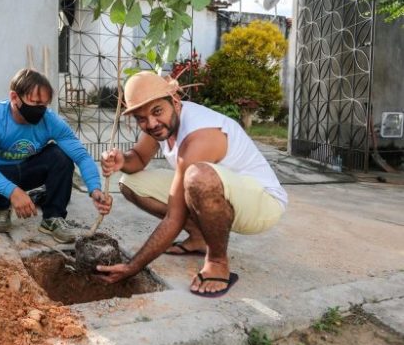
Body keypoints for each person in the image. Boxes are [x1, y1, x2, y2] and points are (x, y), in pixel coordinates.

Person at [97, 71, 287, 297]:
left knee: (197, 177)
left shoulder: (200, 135)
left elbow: (174, 218)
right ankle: (199, 238)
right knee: (130, 181)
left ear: (175, 102)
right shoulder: (159, 124)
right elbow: (137, 158)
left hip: (262, 203)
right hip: (223, 191)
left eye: (157, 111)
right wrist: (122, 160)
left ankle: (217, 261)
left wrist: (133, 266)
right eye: (141, 118)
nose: (151, 123)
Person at [0, 68, 113, 243]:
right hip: (1, 171)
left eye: (44, 105)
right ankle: (2, 208)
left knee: (61, 156)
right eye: (35, 103)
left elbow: (81, 156)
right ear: (14, 97)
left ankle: (53, 218)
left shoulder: (51, 121)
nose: (40, 110)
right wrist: (12, 192)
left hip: (30, 169)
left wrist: (95, 188)